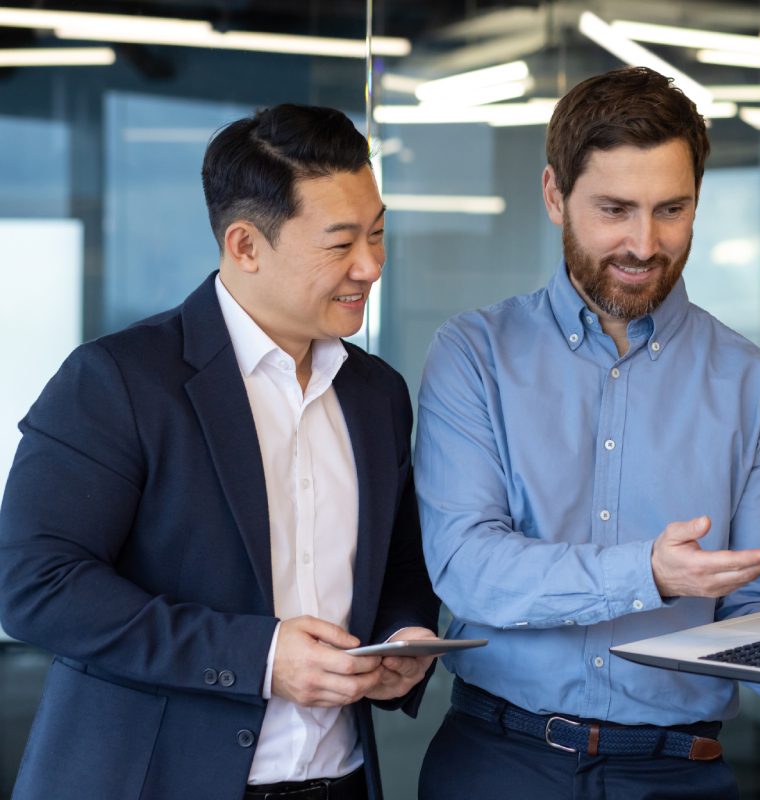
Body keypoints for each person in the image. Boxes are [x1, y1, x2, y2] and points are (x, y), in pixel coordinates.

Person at [414, 67, 760, 799]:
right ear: (553, 195)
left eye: (672, 209)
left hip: (675, 772)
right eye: (614, 209)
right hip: (500, 761)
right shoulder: (475, 356)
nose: (644, 242)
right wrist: (647, 574)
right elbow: (466, 565)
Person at [0, 104, 440, 800]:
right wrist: (259, 657)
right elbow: (34, 584)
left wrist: (403, 639)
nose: (371, 265)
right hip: (150, 780)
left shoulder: (376, 393)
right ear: (244, 246)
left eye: (379, 234)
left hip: (340, 781)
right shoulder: (118, 380)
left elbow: (398, 570)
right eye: (340, 243)